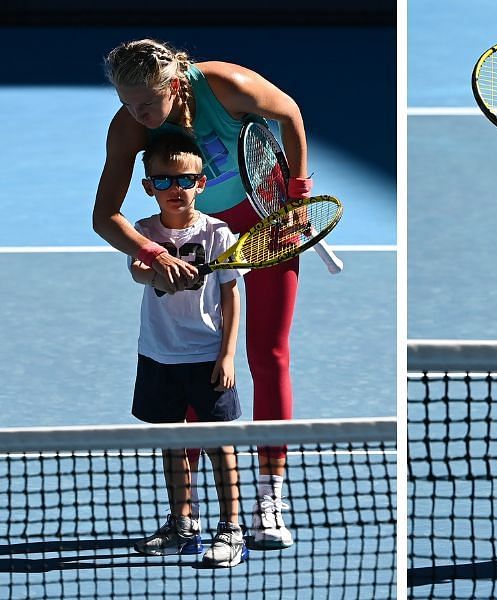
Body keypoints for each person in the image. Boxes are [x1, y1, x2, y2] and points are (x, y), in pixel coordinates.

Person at [96, 38, 305, 549]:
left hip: (263, 223)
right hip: (193, 235)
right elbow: (105, 216)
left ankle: (268, 496)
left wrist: (295, 197)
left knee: (268, 353)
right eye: (127, 102)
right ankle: (184, 513)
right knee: (194, 361)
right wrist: (154, 251)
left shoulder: (225, 85)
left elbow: (291, 115)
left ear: (172, 85)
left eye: (146, 102)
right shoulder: (128, 129)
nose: (137, 113)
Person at [128, 133, 248, 568]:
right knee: (172, 441)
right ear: (148, 187)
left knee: (220, 444)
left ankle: (231, 529)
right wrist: (161, 271)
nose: (174, 189)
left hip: (206, 354)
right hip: (159, 354)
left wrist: (228, 354)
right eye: (162, 181)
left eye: (185, 179)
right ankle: (182, 525)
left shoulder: (218, 233)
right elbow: (141, 273)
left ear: (201, 183)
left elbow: (233, 294)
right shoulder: (143, 233)